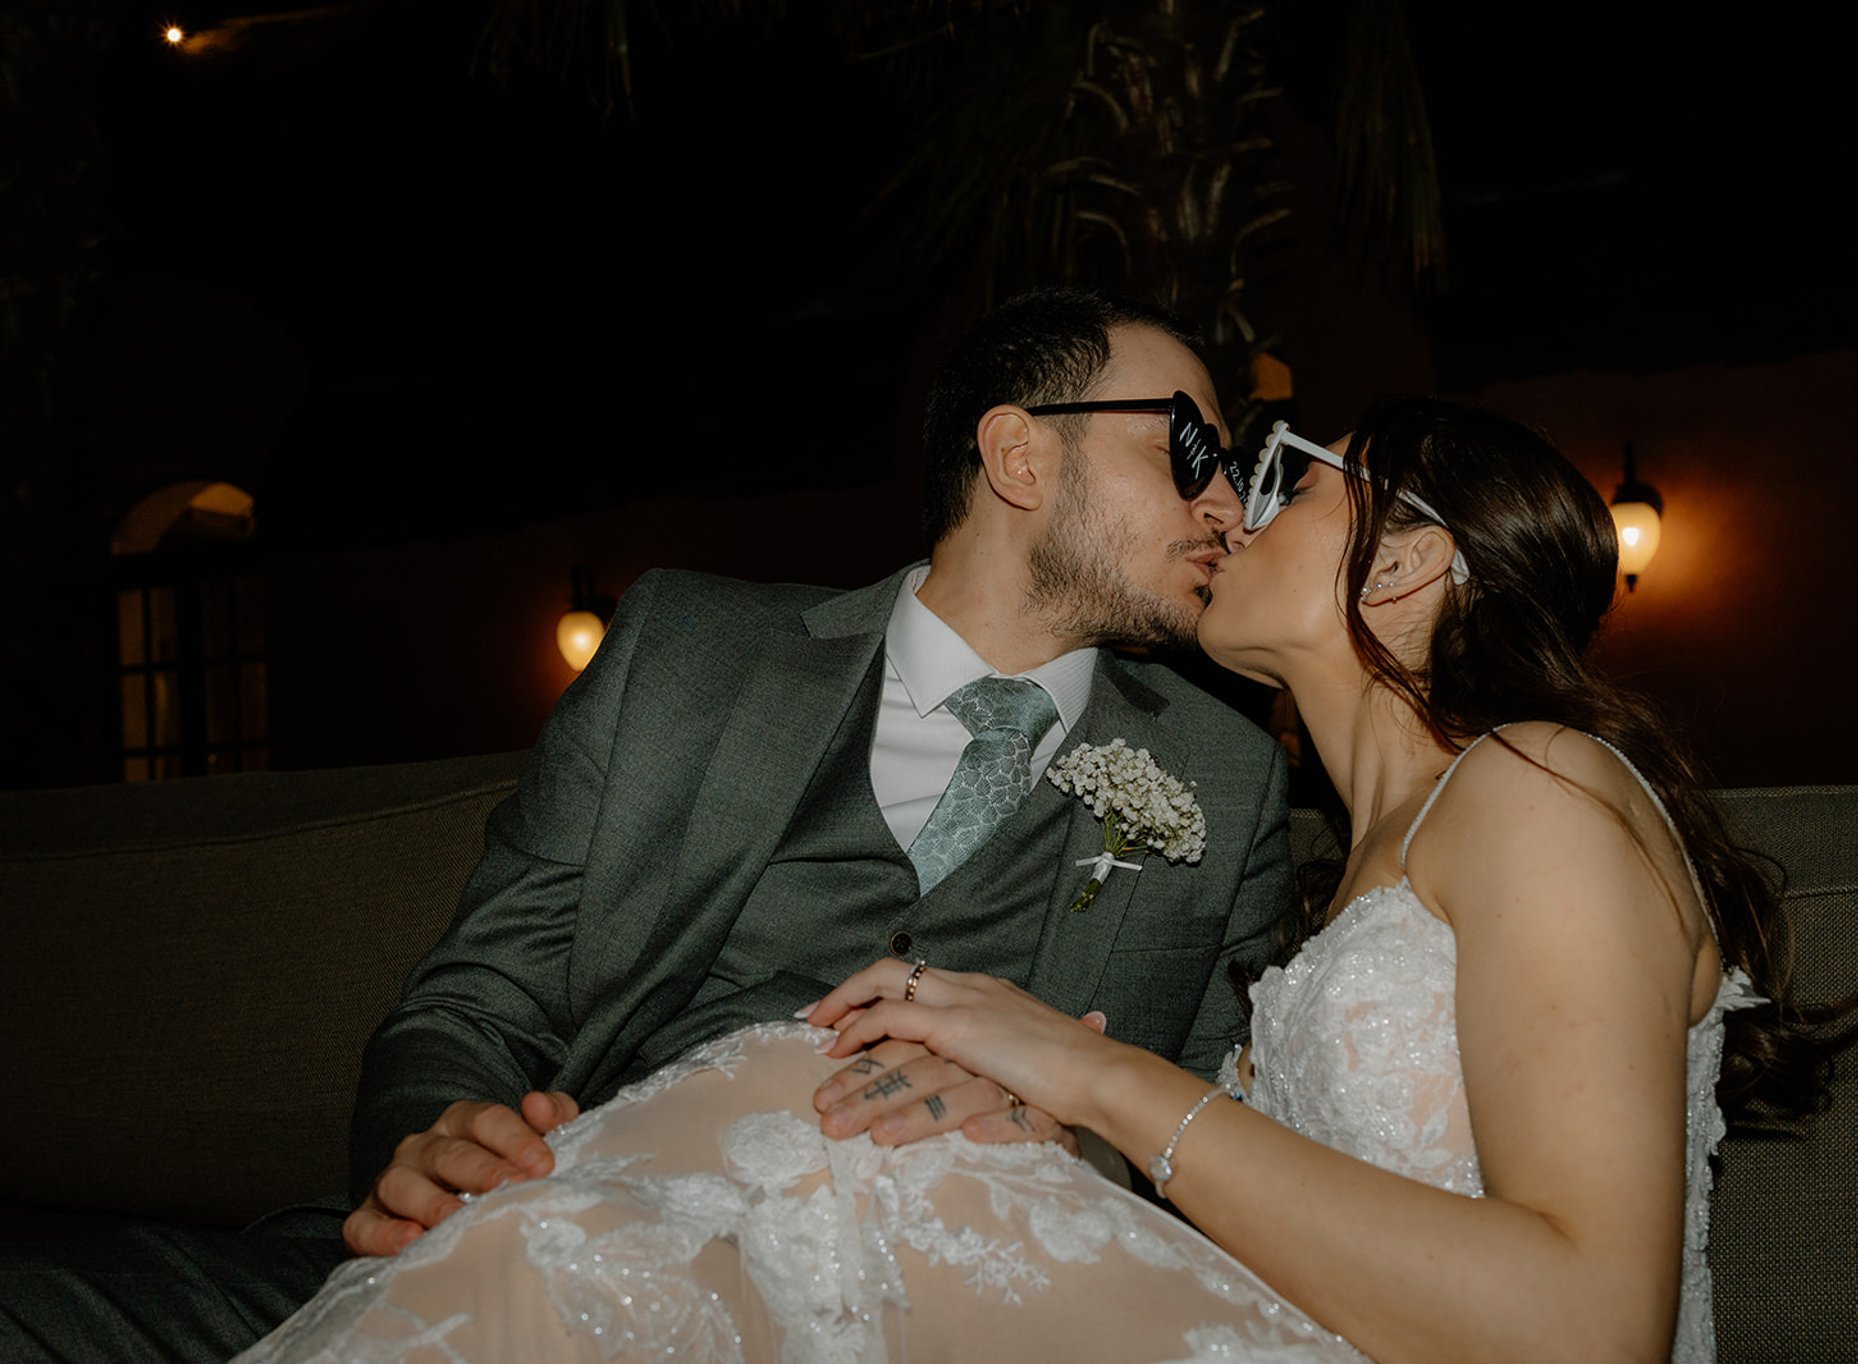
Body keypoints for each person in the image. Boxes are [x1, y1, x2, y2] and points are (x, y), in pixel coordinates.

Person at [231, 397, 1828, 1363]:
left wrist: (1095, 1074)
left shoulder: (1542, 787)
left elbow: (1586, 1331)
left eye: (1284, 476)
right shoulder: (1351, 873)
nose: (1227, 504)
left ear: (1406, 560)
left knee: (784, 1101)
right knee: (816, 1104)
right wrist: (1036, 1125)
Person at [0, 287, 1296, 1362]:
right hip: (569, 1220)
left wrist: (1069, 1135)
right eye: (1189, 447)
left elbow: (1224, 1142)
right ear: (1019, 455)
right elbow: (480, 998)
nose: (1228, 504)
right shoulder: (687, 652)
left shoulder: (1225, 779)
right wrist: (439, 1139)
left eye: (1236, 469)